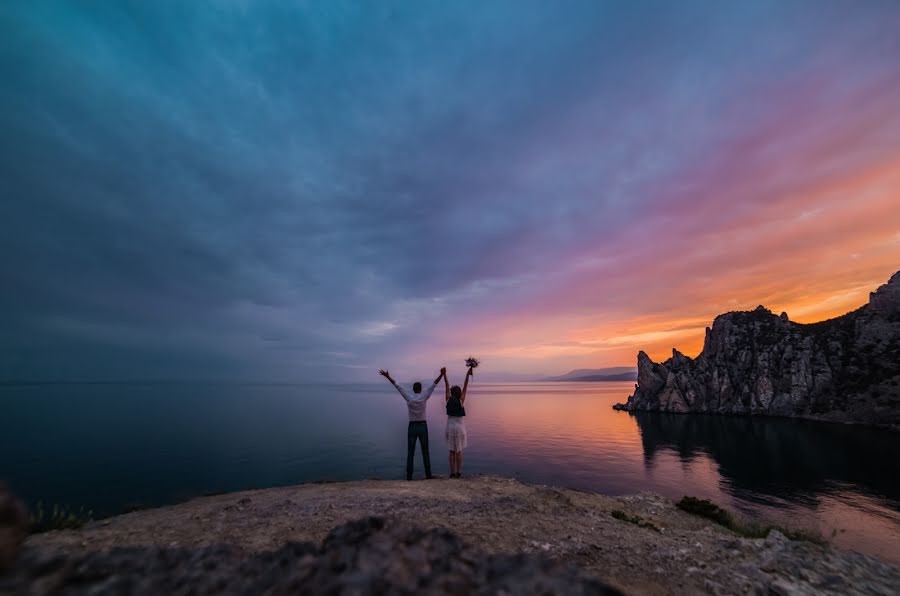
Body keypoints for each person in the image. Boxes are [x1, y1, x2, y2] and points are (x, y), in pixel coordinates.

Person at [379, 367, 445, 480]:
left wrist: (387, 376)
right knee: (425, 451)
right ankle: (428, 475)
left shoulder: (409, 397)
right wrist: (442, 374)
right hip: (423, 427)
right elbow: (433, 385)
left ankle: (409, 476)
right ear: (420, 389)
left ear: (414, 389)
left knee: (411, 452)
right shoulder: (424, 396)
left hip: (412, 427)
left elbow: (398, 387)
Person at [444, 364, 472, 478]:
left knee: (451, 451)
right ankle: (459, 472)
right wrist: (467, 373)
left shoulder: (448, 399)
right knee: (459, 451)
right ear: (459, 393)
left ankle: (452, 472)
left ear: (451, 392)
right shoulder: (461, 400)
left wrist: (444, 374)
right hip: (460, 429)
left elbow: (446, 385)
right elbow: (466, 385)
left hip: (450, 428)